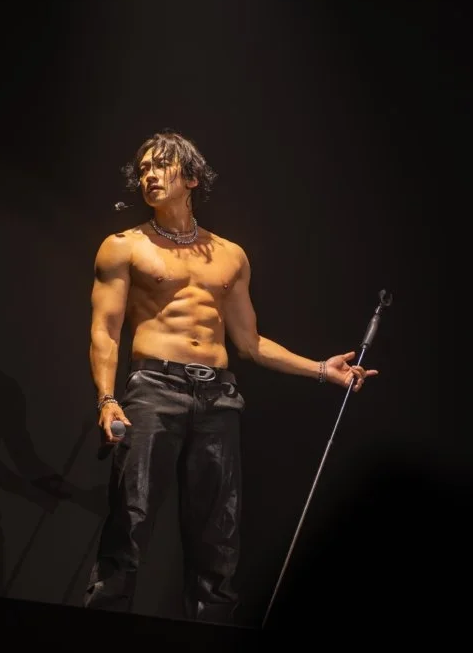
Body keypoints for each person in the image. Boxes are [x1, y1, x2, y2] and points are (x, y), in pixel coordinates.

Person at [83, 129, 379, 624]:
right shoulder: (123, 247)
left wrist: (320, 370)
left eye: (162, 165)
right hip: (154, 390)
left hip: (218, 397)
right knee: (130, 523)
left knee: (217, 535)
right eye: (144, 169)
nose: (150, 175)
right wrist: (106, 399)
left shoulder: (229, 255)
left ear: (191, 178)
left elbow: (250, 342)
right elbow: (105, 331)